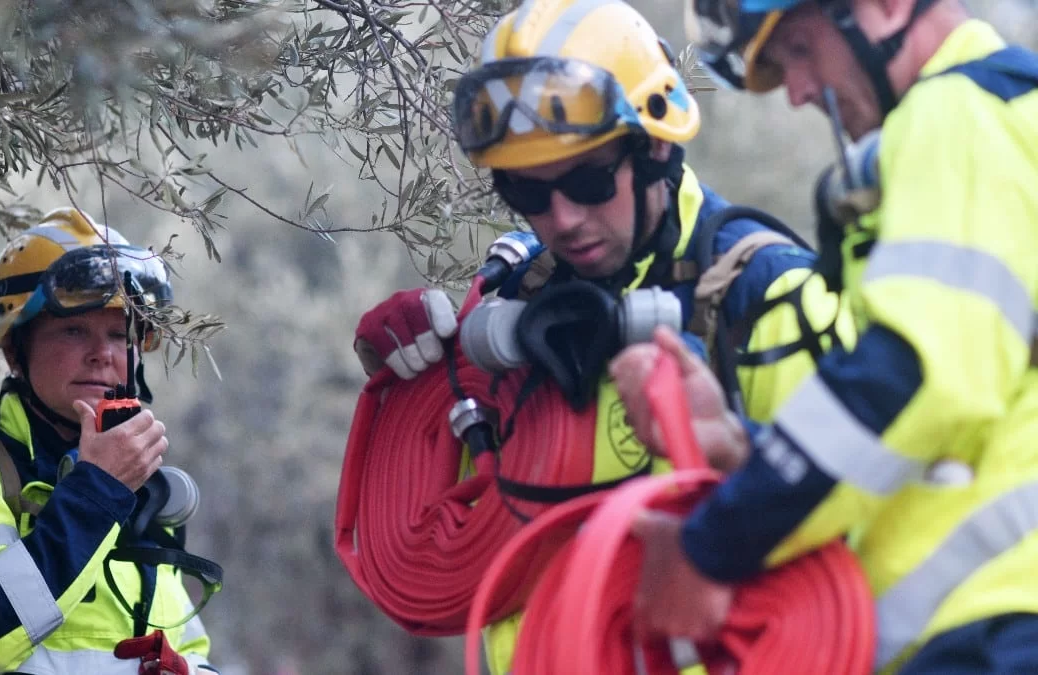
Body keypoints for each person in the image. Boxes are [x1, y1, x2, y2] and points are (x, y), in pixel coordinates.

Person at [350, 1, 854, 672]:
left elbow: (841, 542)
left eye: (588, 179)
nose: (563, 218)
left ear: (656, 147)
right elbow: (477, 523)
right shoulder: (515, 302)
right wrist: (418, 386)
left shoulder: (767, 299)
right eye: (526, 192)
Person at [620, 1, 1038, 673]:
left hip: (999, 636)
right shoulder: (1009, 118)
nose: (798, 92)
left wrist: (713, 542)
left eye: (801, 49)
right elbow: (947, 432)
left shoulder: (962, 112)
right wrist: (740, 444)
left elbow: (915, 374)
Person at [0, 207, 220, 674]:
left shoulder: (144, 493)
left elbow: (194, 652)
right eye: (73, 330)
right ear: (13, 349)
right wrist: (98, 489)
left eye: (118, 333)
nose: (102, 355)